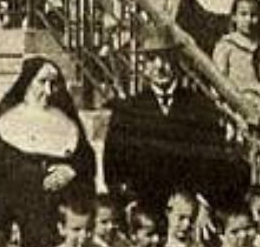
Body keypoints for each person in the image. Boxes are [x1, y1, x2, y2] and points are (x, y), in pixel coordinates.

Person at [103, 37, 249, 213]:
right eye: (151, 59)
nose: (159, 66)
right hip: (145, 209)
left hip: (190, 209)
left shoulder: (200, 107)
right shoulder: (128, 111)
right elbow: (113, 167)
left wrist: (204, 203)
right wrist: (129, 204)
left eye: (166, 58)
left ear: (177, 62)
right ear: (143, 67)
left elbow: (213, 161)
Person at [0, 58, 97, 247]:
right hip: (19, 217)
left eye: (54, 83)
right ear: (27, 82)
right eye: (42, 82)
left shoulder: (67, 122)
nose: (49, 90)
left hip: (60, 220)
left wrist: (72, 170)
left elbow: (88, 162)